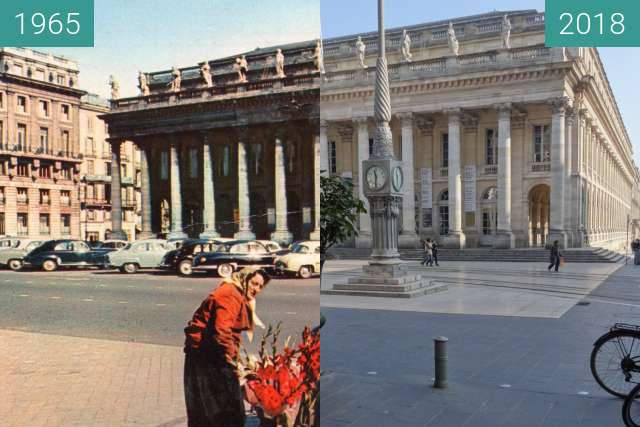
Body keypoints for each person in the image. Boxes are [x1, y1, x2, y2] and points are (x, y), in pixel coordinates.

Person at [183, 267, 271, 427]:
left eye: (260, 286)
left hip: (207, 355)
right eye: (254, 283)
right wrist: (234, 362)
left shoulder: (235, 292)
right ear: (245, 278)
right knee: (227, 412)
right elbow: (222, 331)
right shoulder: (230, 294)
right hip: (207, 358)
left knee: (206, 413)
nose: (256, 289)